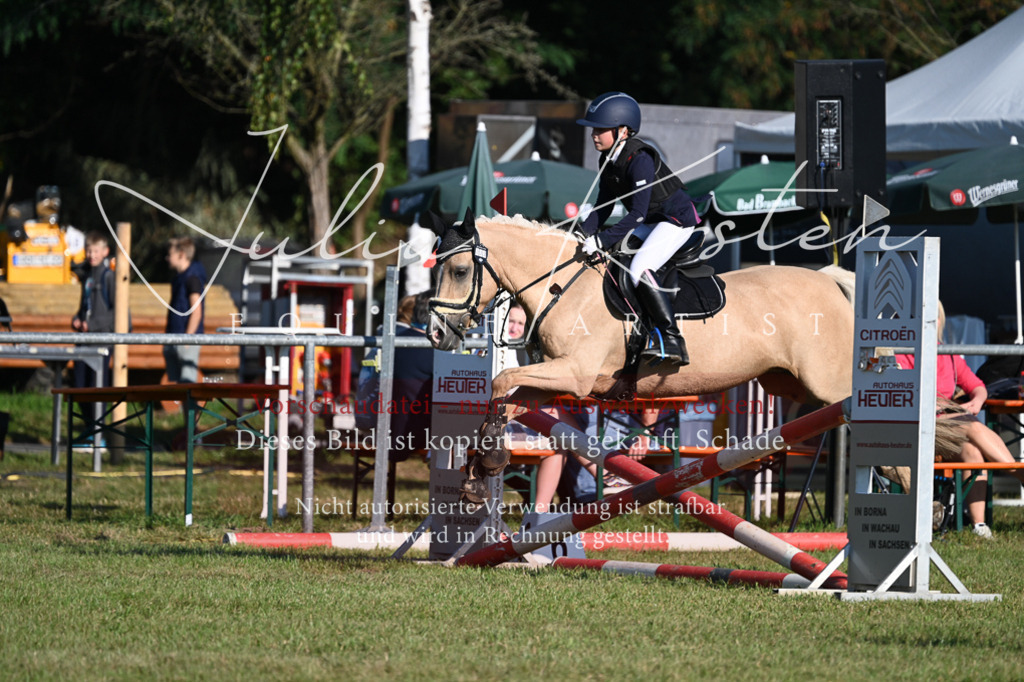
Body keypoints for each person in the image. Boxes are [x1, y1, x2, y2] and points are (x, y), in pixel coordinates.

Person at [575, 91, 702, 367]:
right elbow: (603, 206)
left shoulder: (639, 158)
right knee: (617, 259)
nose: (594, 134)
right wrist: (582, 234)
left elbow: (636, 214)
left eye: (600, 129)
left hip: (675, 221)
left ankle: (671, 339)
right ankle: (638, 330)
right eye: (593, 129)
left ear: (622, 130)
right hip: (651, 222)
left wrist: (602, 240)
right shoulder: (607, 159)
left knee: (639, 268)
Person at [896, 306, 1024, 538]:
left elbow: (977, 385)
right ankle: (1018, 472)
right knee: (972, 425)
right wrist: (948, 408)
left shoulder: (946, 352)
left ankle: (979, 525)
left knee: (974, 453)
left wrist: (976, 402)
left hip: (946, 425)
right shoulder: (901, 351)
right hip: (915, 428)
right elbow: (906, 396)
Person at [71, 231, 115, 389]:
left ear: (105, 252)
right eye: (89, 251)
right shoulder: (87, 277)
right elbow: (84, 306)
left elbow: (118, 313)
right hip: (84, 342)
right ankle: (86, 415)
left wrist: (93, 325)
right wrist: (76, 319)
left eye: (96, 251)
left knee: (96, 387)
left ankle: (97, 415)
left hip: (101, 342)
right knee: (79, 386)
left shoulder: (109, 277)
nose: (92, 255)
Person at [164, 237, 207, 383]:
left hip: (186, 337)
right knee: (177, 387)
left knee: (188, 385)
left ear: (181, 254)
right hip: (174, 335)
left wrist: (187, 339)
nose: (167, 258)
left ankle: (191, 407)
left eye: (170, 254)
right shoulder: (178, 278)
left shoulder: (192, 278)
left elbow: (197, 311)